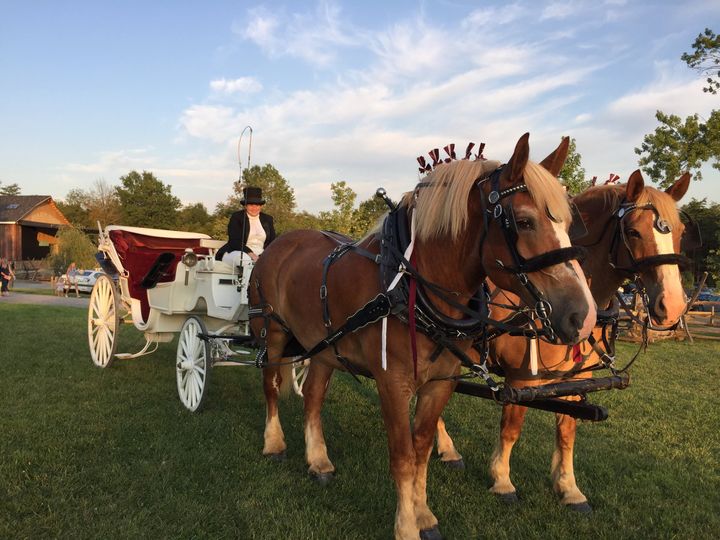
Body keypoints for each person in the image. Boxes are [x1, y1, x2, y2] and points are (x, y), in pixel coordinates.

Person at [215, 186, 276, 265]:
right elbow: (234, 241)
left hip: (262, 254)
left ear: (261, 206)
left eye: (257, 205)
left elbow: (272, 241)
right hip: (237, 252)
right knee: (245, 260)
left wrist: (262, 256)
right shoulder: (237, 217)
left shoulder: (268, 219)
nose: (254, 208)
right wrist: (251, 254)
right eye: (251, 205)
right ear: (245, 205)